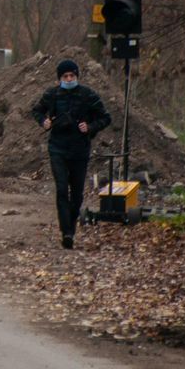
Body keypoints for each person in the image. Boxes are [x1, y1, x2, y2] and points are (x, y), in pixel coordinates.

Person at [31, 58, 111, 250]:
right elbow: (37, 110)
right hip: (57, 148)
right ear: (59, 78)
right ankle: (66, 232)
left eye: (72, 75)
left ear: (77, 76)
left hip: (79, 151)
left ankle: (70, 229)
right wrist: (44, 122)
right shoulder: (52, 94)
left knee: (76, 195)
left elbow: (105, 117)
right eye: (65, 76)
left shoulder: (87, 95)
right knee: (61, 189)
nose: (69, 79)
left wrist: (90, 127)